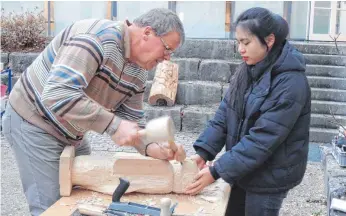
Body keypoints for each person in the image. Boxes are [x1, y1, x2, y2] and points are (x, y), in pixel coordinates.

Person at [2, 8, 186, 216]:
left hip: (72, 131)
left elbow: (132, 122)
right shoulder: (96, 39)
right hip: (33, 121)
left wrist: (153, 147)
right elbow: (58, 94)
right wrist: (114, 125)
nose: (166, 58)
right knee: (53, 208)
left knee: (79, 198)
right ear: (147, 33)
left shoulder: (139, 70)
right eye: (167, 48)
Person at [185, 7, 311, 216]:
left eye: (246, 42)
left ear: (269, 40)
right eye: (238, 42)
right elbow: (226, 112)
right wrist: (204, 152)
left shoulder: (291, 82)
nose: (240, 49)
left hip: (270, 175)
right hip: (243, 167)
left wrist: (216, 170)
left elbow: (263, 138)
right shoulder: (249, 68)